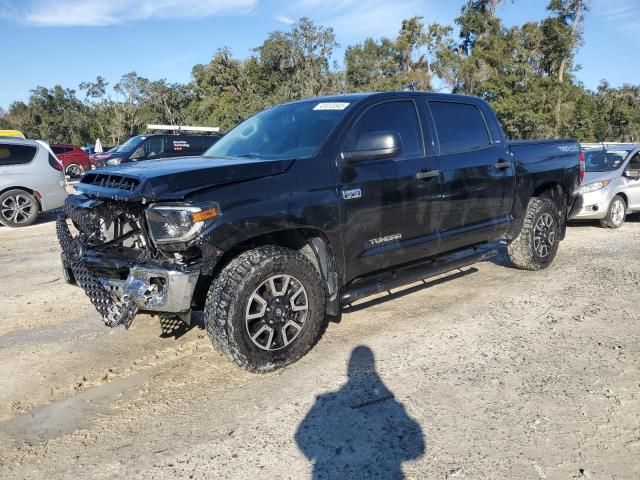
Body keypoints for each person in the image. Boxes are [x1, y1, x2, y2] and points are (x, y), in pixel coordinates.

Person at [295, 346, 425, 479]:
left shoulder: (324, 403)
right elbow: (416, 450)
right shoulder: (394, 406)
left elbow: (300, 437)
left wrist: (317, 455)